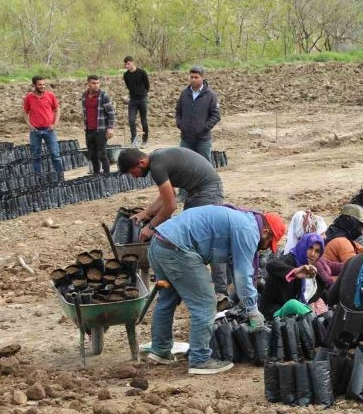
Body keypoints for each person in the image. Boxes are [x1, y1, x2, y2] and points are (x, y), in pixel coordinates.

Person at [146, 205, 285, 373]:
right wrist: (253, 310)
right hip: (178, 249)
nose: (266, 248)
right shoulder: (249, 230)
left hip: (160, 242)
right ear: (266, 232)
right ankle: (200, 359)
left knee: (168, 298)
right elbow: (242, 274)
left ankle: (160, 350)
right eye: (269, 244)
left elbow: (237, 268)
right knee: (205, 303)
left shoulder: (243, 220)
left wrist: (245, 300)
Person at [118, 147, 229, 298]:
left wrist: (151, 227)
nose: (135, 177)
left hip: (207, 192)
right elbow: (169, 195)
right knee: (191, 241)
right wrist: (146, 213)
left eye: (133, 172)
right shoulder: (156, 158)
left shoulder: (157, 167)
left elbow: (170, 205)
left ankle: (221, 292)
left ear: (141, 162)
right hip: (194, 192)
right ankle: (197, 285)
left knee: (210, 241)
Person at [259, 233, 327, 319]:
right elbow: (271, 264)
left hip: (293, 317)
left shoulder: (312, 270)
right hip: (273, 312)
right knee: (293, 304)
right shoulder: (290, 259)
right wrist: (294, 272)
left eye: (317, 251)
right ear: (303, 246)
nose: (313, 254)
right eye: (310, 248)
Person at [176, 65, 221, 164]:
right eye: (191, 77)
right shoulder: (184, 94)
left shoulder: (210, 95)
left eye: (196, 77)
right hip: (186, 138)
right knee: (184, 164)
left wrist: (204, 128)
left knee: (204, 165)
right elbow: (178, 111)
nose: (193, 79)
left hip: (202, 139)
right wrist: (180, 124)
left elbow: (216, 115)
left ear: (202, 78)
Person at [23, 76, 63, 173]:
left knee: (55, 154)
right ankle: (38, 178)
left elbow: (57, 110)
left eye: (44, 84)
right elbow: (25, 112)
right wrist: (29, 125)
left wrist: (55, 124)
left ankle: (60, 177)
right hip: (35, 131)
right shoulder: (29, 98)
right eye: (40, 85)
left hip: (49, 130)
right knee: (36, 156)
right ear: (34, 85)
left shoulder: (50, 95)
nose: (42, 86)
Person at [81, 75, 115, 175]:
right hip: (89, 130)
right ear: (88, 84)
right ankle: (96, 175)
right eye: (93, 83)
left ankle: (107, 175)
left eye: (97, 83)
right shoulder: (84, 95)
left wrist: (110, 128)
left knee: (102, 154)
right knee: (92, 155)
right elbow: (85, 112)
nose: (96, 85)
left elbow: (111, 113)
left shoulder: (103, 96)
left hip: (100, 129)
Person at [123, 56, 150, 147]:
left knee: (144, 121)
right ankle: (134, 140)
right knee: (131, 120)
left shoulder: (142, 72)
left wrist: (143, 94)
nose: (127, 66)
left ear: (133, 62)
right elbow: (128, 86)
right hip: (133, 100)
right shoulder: (126, 75)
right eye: (125, 64)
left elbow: (147, 85)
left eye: (128, 63)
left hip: (142, 99)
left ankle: (145, 141)